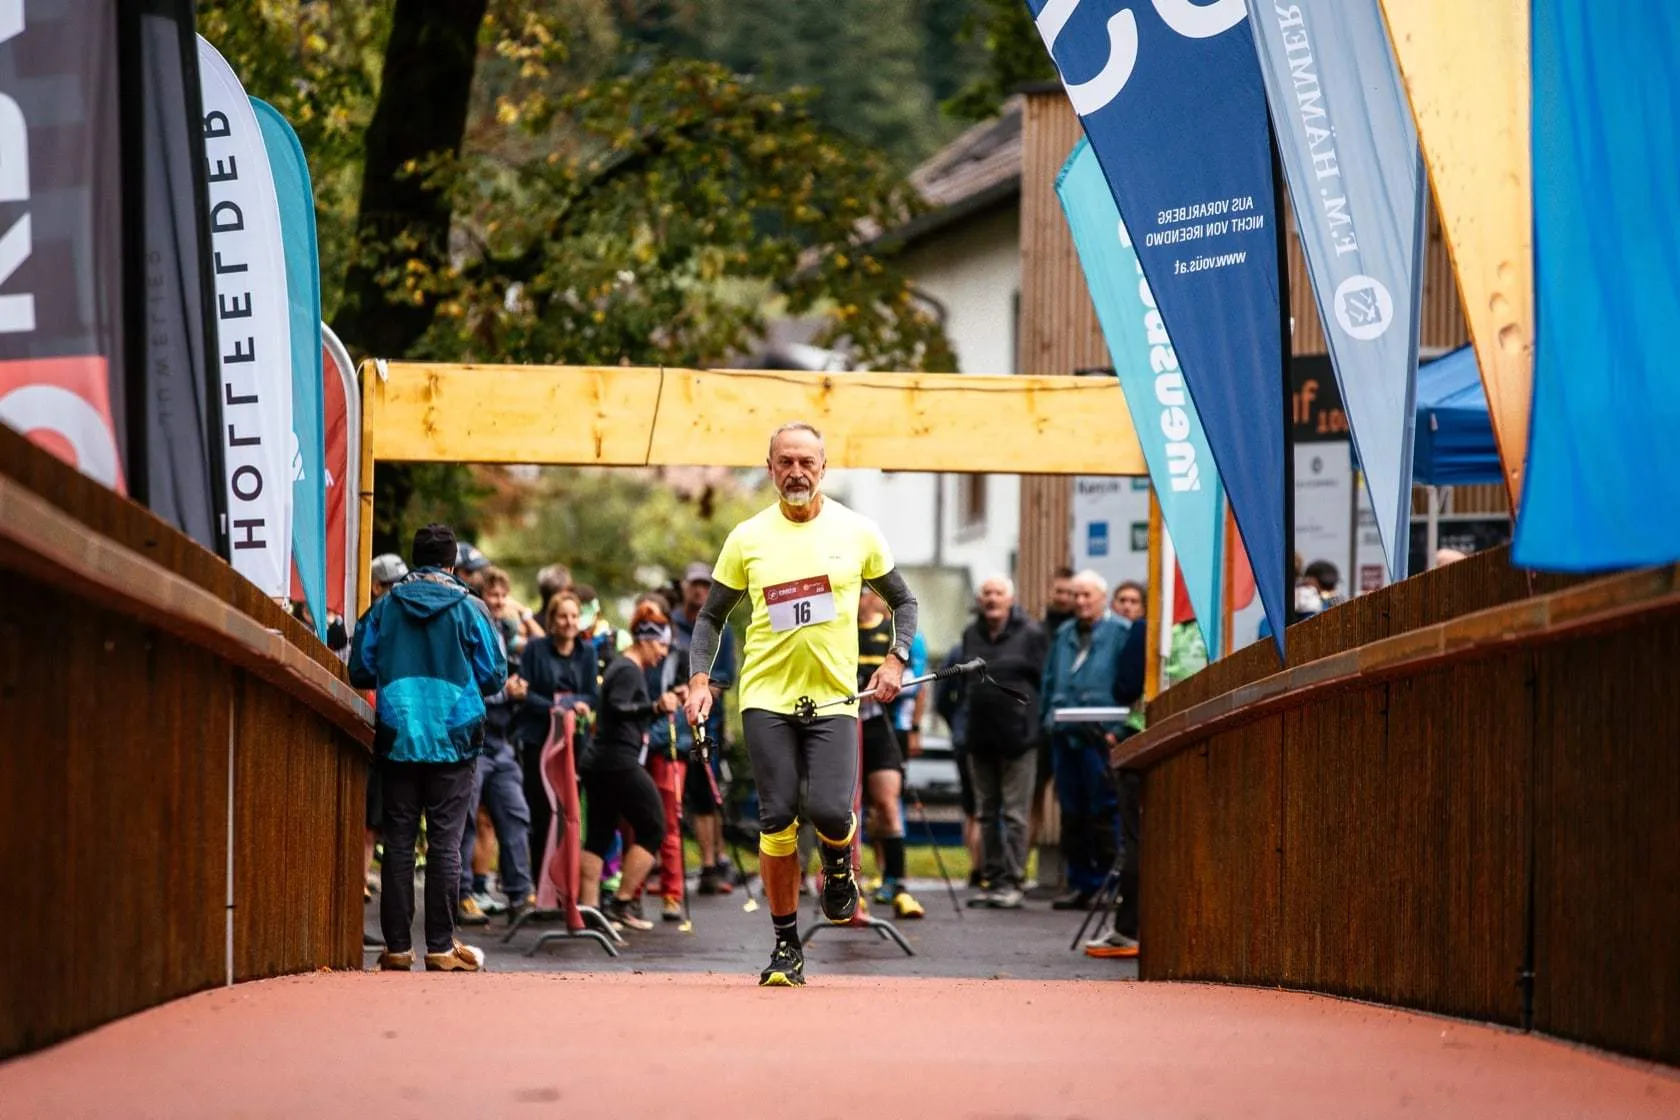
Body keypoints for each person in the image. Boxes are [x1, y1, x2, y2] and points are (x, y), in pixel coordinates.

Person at [684, 421, 918, 987]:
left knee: (832, 811)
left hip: (835, 698)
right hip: (766, 698)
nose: (796, 472)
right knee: (777, 817)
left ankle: (838, 865)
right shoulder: (748, 537)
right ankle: (786, 946)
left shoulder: (857, 531)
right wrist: (699, 681)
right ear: (769, 469)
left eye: (806, 462)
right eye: (785, 462)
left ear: (823, 468)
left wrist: (895, 659)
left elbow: (904, 602)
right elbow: (710, 617)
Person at [350, 523, 506, 972]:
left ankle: (398, 948)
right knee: (445, 843)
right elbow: (494, 675)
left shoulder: (384, 606)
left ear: (414, 559)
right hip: (454, 737)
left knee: (398, 841)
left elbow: (360, 669)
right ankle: (440, 946)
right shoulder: (471, 607)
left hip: (398, 733)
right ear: (452, 563)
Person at [579, 601, 680, 932]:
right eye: (661, 645)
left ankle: (590, 911)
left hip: (602, 761)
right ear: (647, 640)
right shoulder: (628, 669)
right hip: (616, 761)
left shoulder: (624, 667)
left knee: (599, 835)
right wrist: (655, 706)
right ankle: (621, 904)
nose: (663, 653)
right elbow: (620, 707)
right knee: (653, 827)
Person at [1038, 570, 1129, 911]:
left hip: (1100, 734)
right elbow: (1049, 680)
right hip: (1065, 734)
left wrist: (1117, 730)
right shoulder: (1064, 633)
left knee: (1103, 810)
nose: (1080, 601)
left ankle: (1110, 885)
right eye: (1076, 595)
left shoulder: (1121, 633)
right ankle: (1081, 883)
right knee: (1071, 812)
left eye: (1087, 595)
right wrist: (1047, 720)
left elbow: (1129, 684)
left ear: (1102, 598)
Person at [960, 576, 1048, 909]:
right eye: (987, 593)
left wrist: (1034, 724)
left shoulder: (1032, 634)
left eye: (998, 593)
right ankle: (993, 879)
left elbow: (1044, 682)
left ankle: (1013, 881)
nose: (992, 598)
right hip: (979, 736)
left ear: (1011, 599)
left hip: (1019, 737)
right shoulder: (971, 633)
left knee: (1014, 814)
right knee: (985, 813)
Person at [457, 567, 536, 927]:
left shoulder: (504, 630)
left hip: (502, 741)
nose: (500, 601)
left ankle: (521, 894)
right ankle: (462, 894)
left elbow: (535, 646)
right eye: (493, 595)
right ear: (480, 599)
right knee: (466, 819)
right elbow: (469, 686)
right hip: (474, 737)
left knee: (515, 814)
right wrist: (508, 692)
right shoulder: (470, 630)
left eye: (504, 595)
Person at [514, 590, 599, 883]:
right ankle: (541, 881)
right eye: (563, 616)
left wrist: (575, 705)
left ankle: (568, 880)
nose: (569, 622)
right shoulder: (535, 650)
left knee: (570, 811)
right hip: (539, 740)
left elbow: (592, 694)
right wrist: (556, 708)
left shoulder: (588, 652)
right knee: (542, 810)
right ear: (552, 620)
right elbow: (524, 693)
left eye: (574, 616)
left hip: (574, 743)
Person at [670, 562, 738, 895]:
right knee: (672, 797)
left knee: (706, 797)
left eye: (704, 585)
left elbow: (725, 677)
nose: (699, 591)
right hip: (671, 722)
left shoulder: (721, 627)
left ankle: (711, 864)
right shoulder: (670, 624)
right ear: (684, 587)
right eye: (694, 584)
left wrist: (700, 690)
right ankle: (669, 869)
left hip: (706, 724)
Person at [856, 586, 924, 918]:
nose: (856, 601)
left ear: (872, 597)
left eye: (861, 593)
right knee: (851, 810)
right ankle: (849, 884)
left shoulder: (890, 633)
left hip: (881, 725)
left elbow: (911, 680)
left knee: (887, 803)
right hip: (842, 726)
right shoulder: (838, 632)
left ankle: (898, 884)